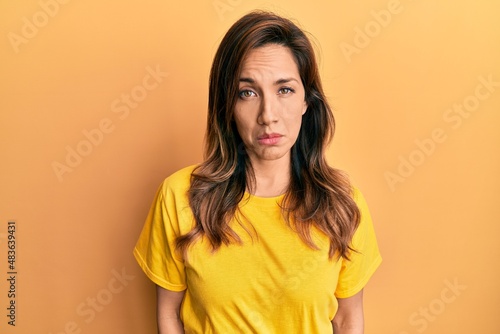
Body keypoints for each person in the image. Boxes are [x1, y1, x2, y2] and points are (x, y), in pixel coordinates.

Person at [134, 10, 381, 334]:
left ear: (307, 100)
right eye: (247, 92)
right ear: (227, 104)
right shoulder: (180, 197)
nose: (268, 115)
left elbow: (348, 319)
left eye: (285, 90)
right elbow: (169, 314)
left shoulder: (343, 205)